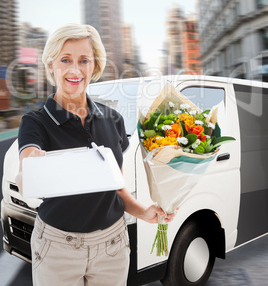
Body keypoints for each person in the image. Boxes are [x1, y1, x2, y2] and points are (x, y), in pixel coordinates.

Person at [16, 23, 176, 286]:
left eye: (84, 60)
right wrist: (30, 172)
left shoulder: (113, 119)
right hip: (57, 249)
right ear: (51, 66)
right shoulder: (35, 122)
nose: (74, 69)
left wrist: (144, 212)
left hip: (112, 245)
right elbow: (29, 160)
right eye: (65, 59)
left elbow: (116, 186)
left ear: (95, 67)